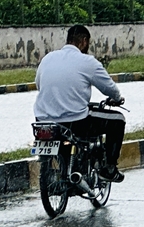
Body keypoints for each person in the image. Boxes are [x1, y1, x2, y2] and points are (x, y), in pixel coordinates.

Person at [34, 24, 126, 182]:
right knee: (118, 120)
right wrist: (117, 98)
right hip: (75, 121)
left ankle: (64, 169)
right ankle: (110, 168)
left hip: (43, 120)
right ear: (83, 41)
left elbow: (38, 84)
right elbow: (109, 87)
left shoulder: (48, 58)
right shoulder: (87, 62)